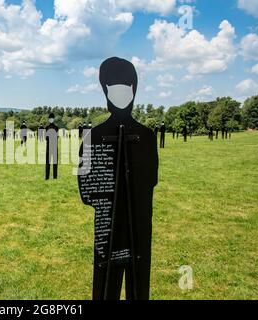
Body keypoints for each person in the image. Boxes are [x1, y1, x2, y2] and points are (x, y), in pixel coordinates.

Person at [78, 57, 158, 300]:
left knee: (132, 281)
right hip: (115, 224)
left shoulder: (144, 136)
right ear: (105, 90)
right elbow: (87, 188)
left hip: (132, 223)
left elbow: (87, 190)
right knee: (107, 284)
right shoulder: (97, 137)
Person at [45, 113, 59, 180]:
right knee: (49, 162)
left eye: (51, 118)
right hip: (51, 146)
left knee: (53, 162)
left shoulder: (55, 127)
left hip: (51, 146)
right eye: (50, 118)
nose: (51, 119)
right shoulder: (47, 128)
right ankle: (49, 177)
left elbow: (46, 138)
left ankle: (53, 177)